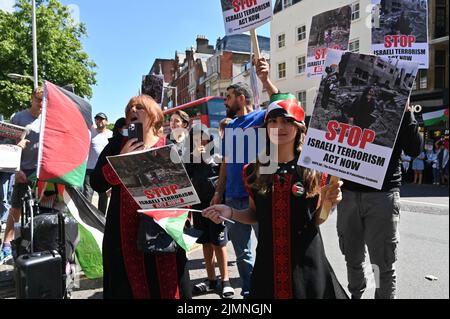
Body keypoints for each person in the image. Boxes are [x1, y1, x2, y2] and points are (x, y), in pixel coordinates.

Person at [203, 97, 347, 299]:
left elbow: (315, 221)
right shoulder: (253, 170)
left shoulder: (314, 170)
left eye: (287, 121)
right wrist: (231, 212)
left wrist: (330, 202)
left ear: (299, 128)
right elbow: (254, 214)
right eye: (273, 121)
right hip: (268, 264)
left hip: (307, 263)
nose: (280, 127)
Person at [90, 95, 191, 299]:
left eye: (139, 107)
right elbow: (97, 183)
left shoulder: (170, 145)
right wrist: (120, 161)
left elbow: (188, 188)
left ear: (153, 115)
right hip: (123, 232)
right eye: (129, 109)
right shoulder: (117, 145)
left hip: (163, 229)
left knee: (166, 285)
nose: (132, 111)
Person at [337, 101, 422, 299]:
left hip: (382, 194)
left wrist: (407, 111)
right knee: (352, 257)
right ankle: (356, 295)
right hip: (348, 194)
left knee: (382, 263)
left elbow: (414, 149)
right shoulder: (352, 105)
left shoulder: (398, 110)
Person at [185, 125, 234, 299]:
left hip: (215, 204)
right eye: (195, 138)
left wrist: (219, 196)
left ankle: (226, 281)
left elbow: (225, 177)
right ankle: (211, 280)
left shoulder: (217, 154)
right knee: (205, 242)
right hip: (198, 205)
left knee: (219, 243)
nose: (199, 141)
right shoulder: (191, 157)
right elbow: (184, 176)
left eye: (202, 137)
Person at [1, 87, 43, 264]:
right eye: (38, 99)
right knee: (16, 207)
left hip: (42, 171)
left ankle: (39, 244)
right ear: (31, 98)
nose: (41, 104)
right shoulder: (18, 117)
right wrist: (16, 170)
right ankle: (6, 245)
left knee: (42, 209)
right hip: (22, 170)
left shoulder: (48, 117)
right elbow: (5, 144)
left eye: (44, 100)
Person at [83, 112, 112, 214]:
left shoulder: (110, 134)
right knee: (87, 196)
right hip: (89, 169)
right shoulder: (90, 132)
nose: (99, 121)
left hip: (103, 170)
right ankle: (86, 218)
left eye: (101, 119)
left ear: (106, 122)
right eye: (97, 119)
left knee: (103, 197)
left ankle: (101, 218)